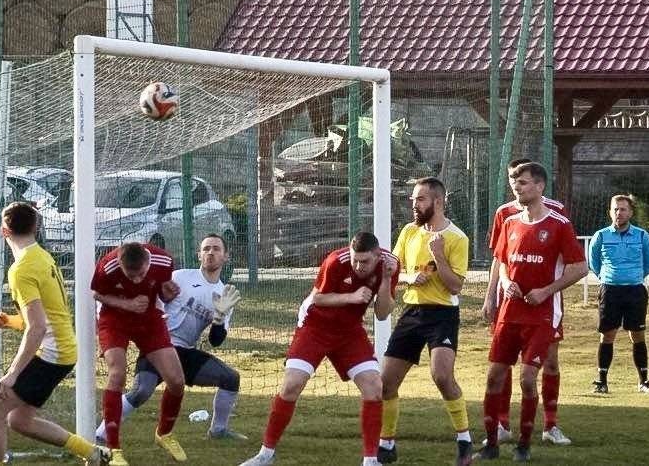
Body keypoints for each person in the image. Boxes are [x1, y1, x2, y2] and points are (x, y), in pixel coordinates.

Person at [239, 232, 398, 466]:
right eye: (355, 259)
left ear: (377, 256)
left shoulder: (390, 265)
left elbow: (383, 313)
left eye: (364, 261)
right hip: (315, 326)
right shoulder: (336, 260)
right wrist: (352, 297)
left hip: (349, 332)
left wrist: (385, 280)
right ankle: (266, 453)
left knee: (374, 387)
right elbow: (319, 299)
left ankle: (371, 460)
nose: (357, 265)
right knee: (292, 384)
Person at [474, 162, 588, 462]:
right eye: (514, 181)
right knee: (494, 375)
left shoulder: (559, 223)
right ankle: (493, 440)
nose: (517, 187)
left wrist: (547, 291)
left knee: (529, 376)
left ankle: (530, 439)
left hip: (542, 315)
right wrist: (507, 285)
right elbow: (502, 262)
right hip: (510, 312)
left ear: (539, 186)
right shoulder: (509, 220)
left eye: (523, 182)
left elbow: (580, 267)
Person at [0, 202, 110, 466]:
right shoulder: (42, 256)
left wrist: (12, 374)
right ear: (37, 227)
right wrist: (9, 321)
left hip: (52, 354)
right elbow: (46, 319)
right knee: (19, 420)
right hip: (62, 349)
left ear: (3, 231)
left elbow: (38, 328)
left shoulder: (21, 269)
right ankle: (94, 454)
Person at [95, 234, 244, 443]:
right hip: (158, 344)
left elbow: (216, 341)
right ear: (199, 255)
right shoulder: (180, 277)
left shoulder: (223, 294)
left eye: (216, 249)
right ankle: (101, 434)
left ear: (226, 256)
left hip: (185, 352)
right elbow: (150, 292)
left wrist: (219, 318)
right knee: (141, 390)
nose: (211, 252)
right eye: (206, 248)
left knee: (231, 378)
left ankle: (218, 431)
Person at [378, 177, 473, 466]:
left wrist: (439, 257)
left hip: (442, 314)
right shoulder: (409, 231)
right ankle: (386, 444)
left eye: (420, 199)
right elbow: (395, 270)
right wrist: (408, 277)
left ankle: (464, 441)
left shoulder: (457, 238)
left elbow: (455, 286)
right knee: (386, 383)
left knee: (442, 376)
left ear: (438, 202)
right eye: (413, 199)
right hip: (412, 312)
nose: (414, 204)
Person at [92, 242, 187, 465]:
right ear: (121, 264)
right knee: (117, 374)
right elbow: (97, 294)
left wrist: (169, 293)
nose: (136, 280)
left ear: (148, 260)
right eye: (130, 275)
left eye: (141, 274)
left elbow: (163, 293)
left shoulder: (163, 260)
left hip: (148, 318)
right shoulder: (107, 266)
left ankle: (164, 434)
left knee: (176, 380)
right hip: (114, 319)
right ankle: (114, 450)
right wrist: (127, 304)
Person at [587, 194, 649, 394]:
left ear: (631, 212)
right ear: (610, 212)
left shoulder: (642, 236)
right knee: (607, 335)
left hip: (635, 291)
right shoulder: (600, 236)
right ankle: (602, 382)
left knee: (637, 335)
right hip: (610, 291)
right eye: (615, 209)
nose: (619, 213)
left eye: (623, 209)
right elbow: (594, 263)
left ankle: (644, 381)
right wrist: (609, 278)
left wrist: (632, 277)